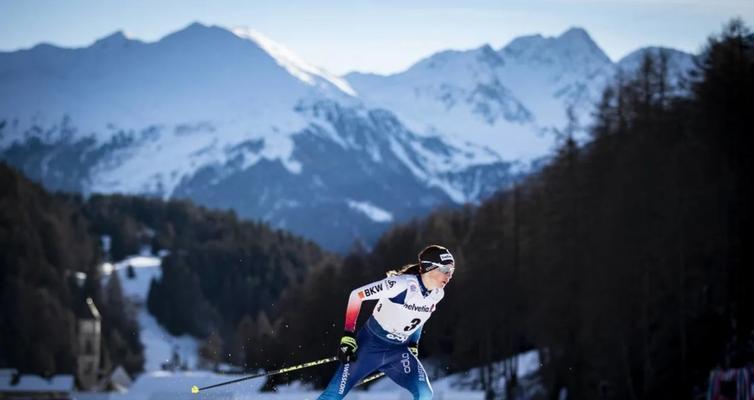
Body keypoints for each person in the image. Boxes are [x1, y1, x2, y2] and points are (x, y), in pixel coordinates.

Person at [317, 245, 456, 400]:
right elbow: (356, 296)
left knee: (425, 394)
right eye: (445, 270)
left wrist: (413, 343)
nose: (449, 275)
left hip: (398, 352)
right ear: (430, 267)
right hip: (368, 347)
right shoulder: (400, 285)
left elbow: (420, 316)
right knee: (331, 396)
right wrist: (348, 335)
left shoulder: (437, 294)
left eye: (452, 271)